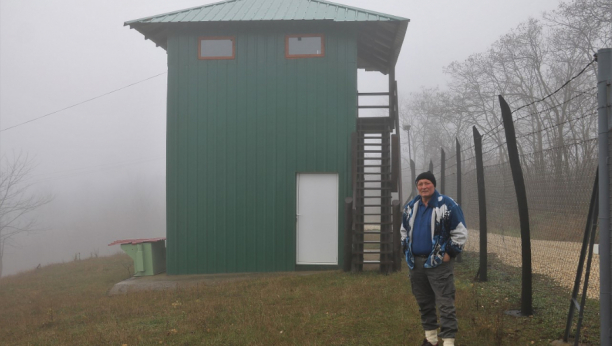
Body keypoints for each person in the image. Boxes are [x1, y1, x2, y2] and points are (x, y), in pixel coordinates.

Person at [401, 171, 467, 346]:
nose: (423, 187)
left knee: (445, 302)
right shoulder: (411, 206)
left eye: (427, 183)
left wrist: (449, 253)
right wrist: (406, 249)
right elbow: (403, 230)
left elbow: (460, 232)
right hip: (416, 263)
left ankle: (448, 341)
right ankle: (431, 339)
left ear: (434, 185)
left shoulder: (447, 205)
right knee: (424, 301)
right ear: (417, 186)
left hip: (439, 264)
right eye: (420, 184)